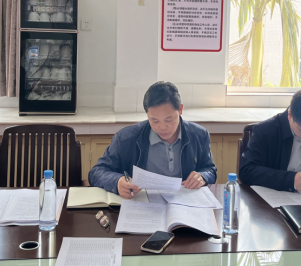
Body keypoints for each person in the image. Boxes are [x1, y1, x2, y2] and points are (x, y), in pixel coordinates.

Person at [88, 81, 217, 198]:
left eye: (169, 120)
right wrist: (117, 182)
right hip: (141, 203)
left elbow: (210, 170)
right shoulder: (126, 138)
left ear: (180, 110)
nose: (162, 127)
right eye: (154, 120)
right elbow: (96, 172)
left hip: (184, 204)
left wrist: (202, 177)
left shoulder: (199, 135)